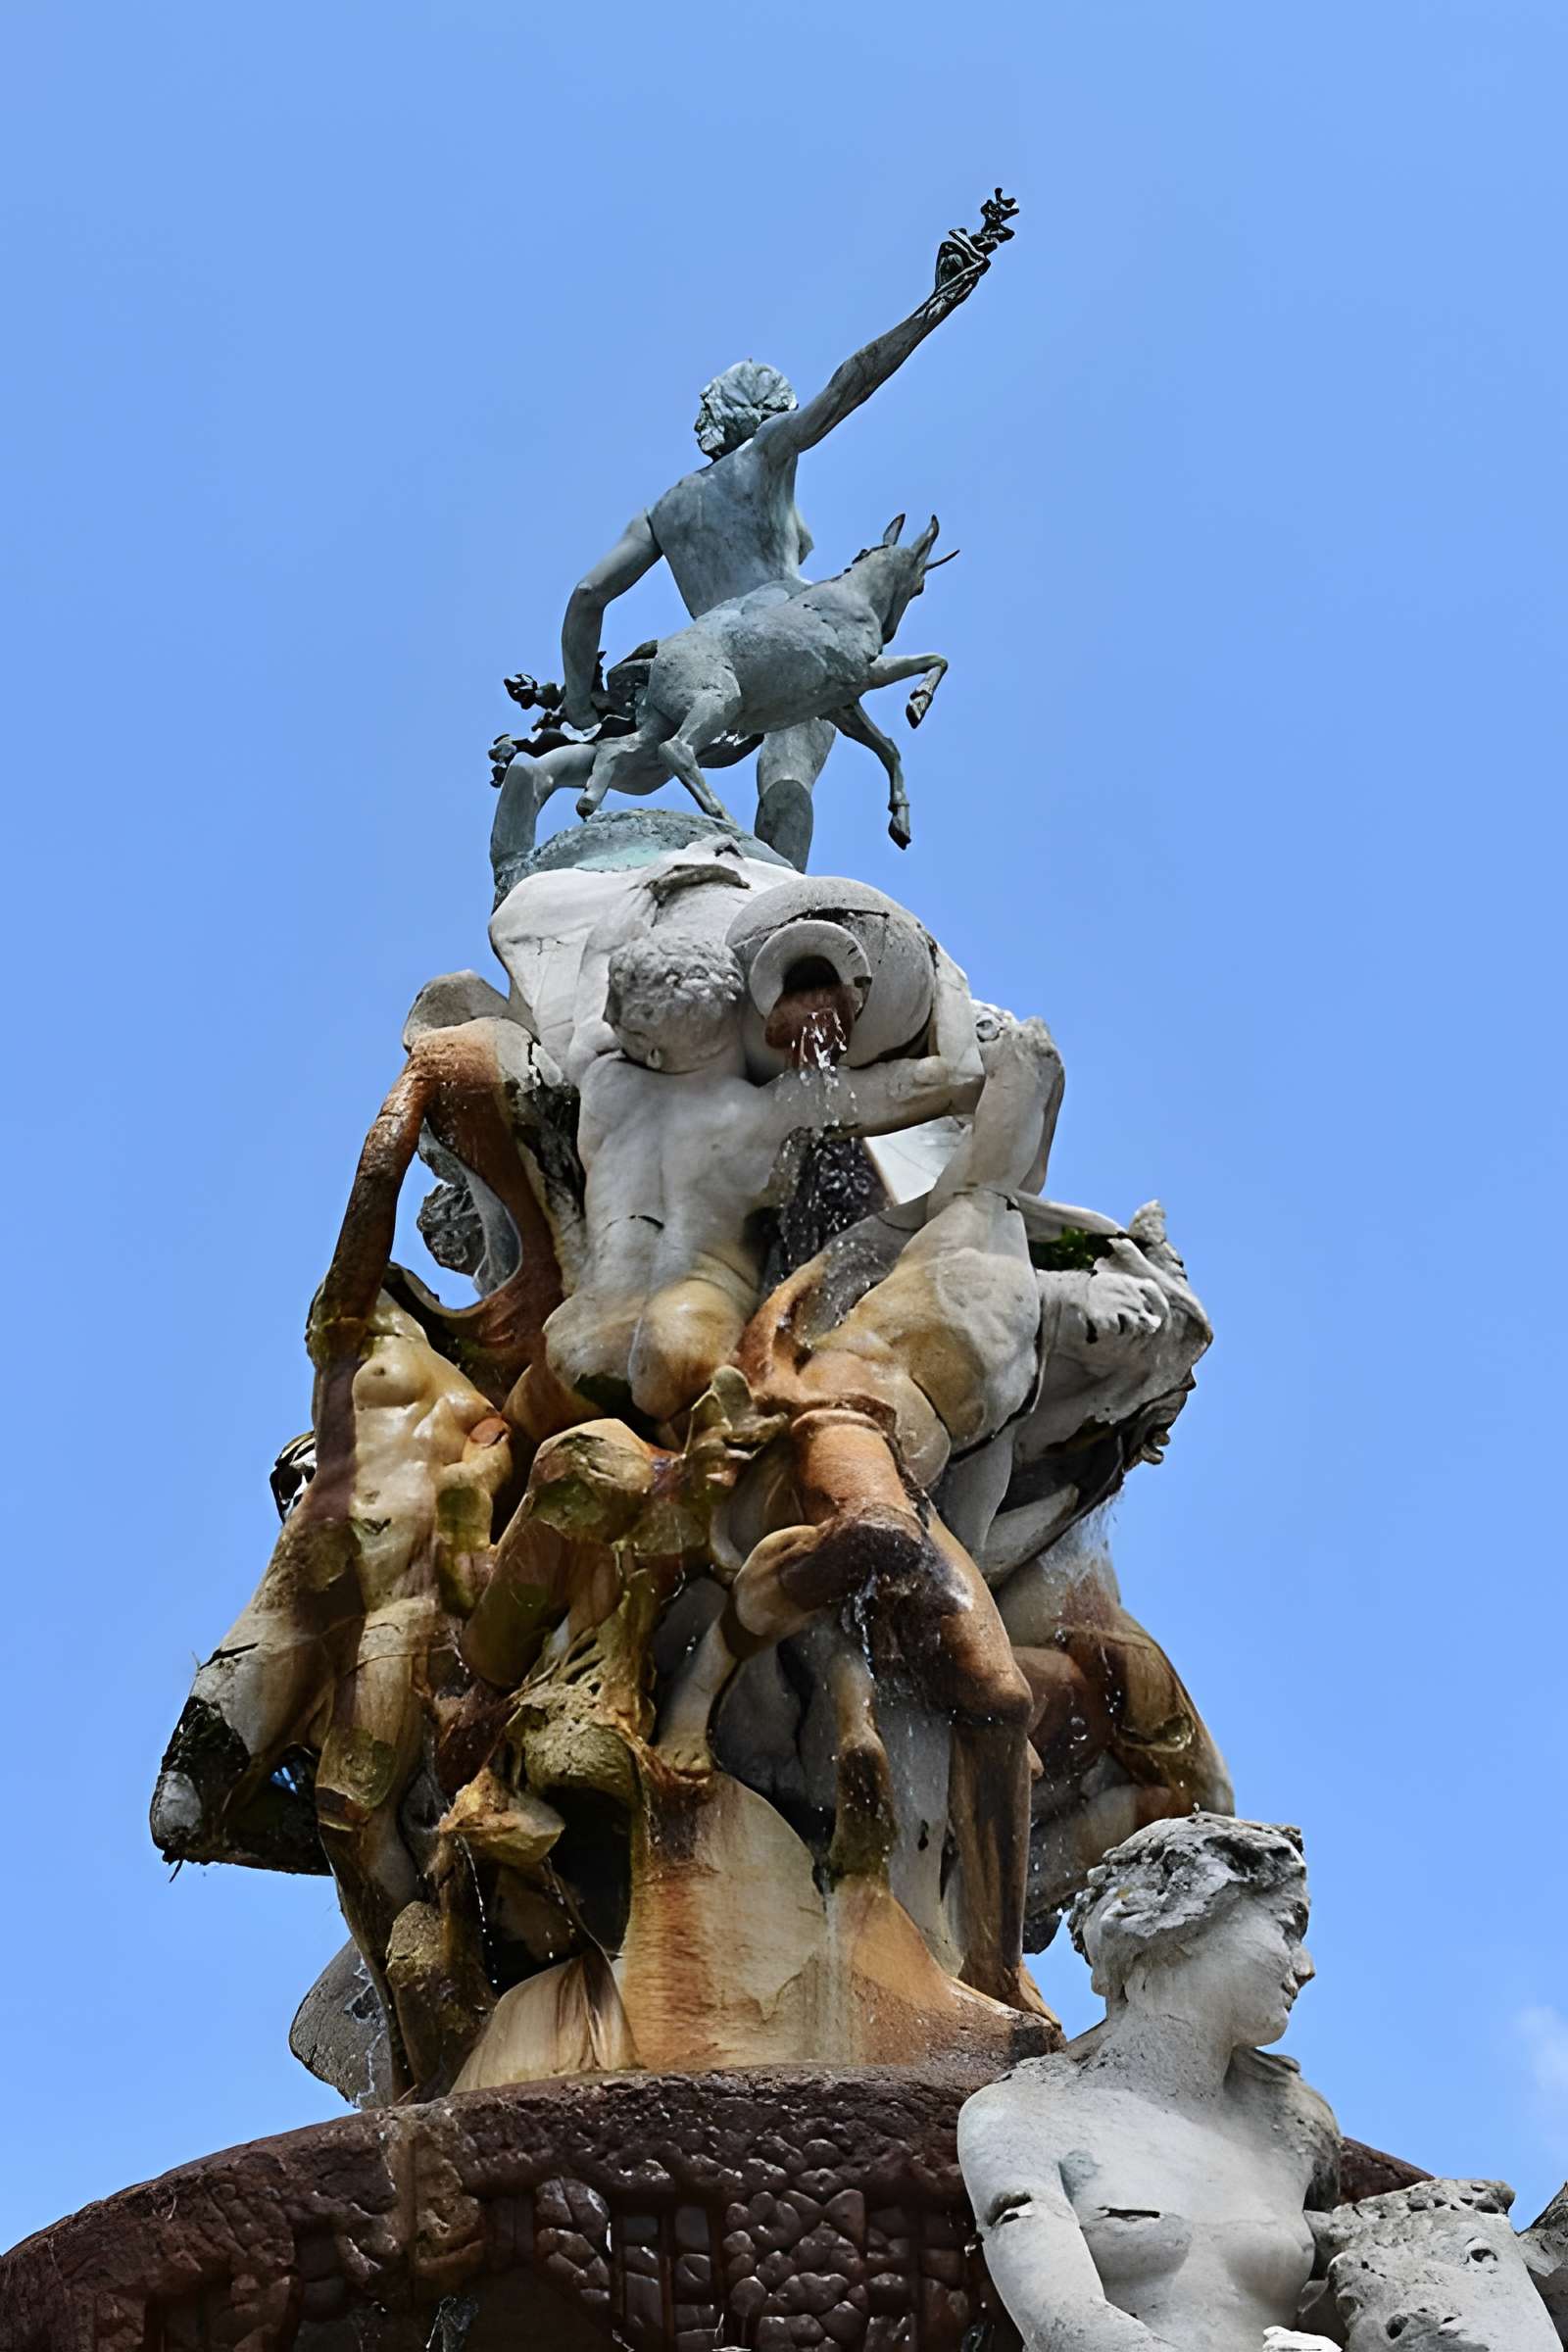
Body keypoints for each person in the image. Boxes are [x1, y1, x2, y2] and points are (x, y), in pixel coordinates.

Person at [549, 245, 998, 867]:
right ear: (765, 416)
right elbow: (848, 388)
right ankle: (783, 901)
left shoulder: (662, 512)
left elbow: (586, 597)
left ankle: (550, 779)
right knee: (788, 780)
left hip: (708, 661)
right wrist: (934, 308)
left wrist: (579, 700)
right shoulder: (764, 454)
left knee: (641, 755)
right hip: (795, 642)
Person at [541, 928, 984, 1426]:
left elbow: (597, 962)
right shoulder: (775, 1113)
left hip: (579, 1336)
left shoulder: (603, 1081)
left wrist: (648, 900)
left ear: (651, 1050)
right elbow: (957, 1078)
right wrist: (946, 977)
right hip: (685, 1337)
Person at [958, 1815, 1341, 2352]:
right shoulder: (1020, 2117)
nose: (1306, 1966)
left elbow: (1344, 2300)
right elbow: (1066, 2325)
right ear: (1186, 1921)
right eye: (1288, 1926)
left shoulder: (1299, 2129)